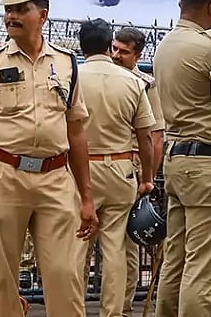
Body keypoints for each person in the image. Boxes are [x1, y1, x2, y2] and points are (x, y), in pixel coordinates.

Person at [0, 0, 98, 316]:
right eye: (8, 9)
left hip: (55, 179)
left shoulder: (65, 63)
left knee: (65, 276)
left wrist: (87, 197)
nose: (11, 17)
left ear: (43, 14)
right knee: (1, 281)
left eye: (21, 9)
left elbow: (76, 132)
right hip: (3, 176)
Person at [152, 0, 211, 317]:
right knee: (201, 271)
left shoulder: (166, 44)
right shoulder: (210, 49)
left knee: (176, 260)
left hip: (177, 160)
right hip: (206, 164)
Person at [75, 19, 157, 317]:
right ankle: (113, 311)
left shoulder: (72, 78)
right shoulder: (134, 82)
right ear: (110, 46)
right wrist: (146, 178)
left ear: (80, 46)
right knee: (115, 248)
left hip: (79, 170)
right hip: (121, 169)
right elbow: (146, 136)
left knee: (78, 246)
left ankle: (73, 310)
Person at [110, 26, 164, 314]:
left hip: (130, 161)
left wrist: (148, 178)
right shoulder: (102, 76)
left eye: (124, 51)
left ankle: (123, 303)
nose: (116, 55)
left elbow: (155, 136)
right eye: (114, 49)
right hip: (98, 160)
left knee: (126, 238)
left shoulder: (145, 85)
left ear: (138, 55)